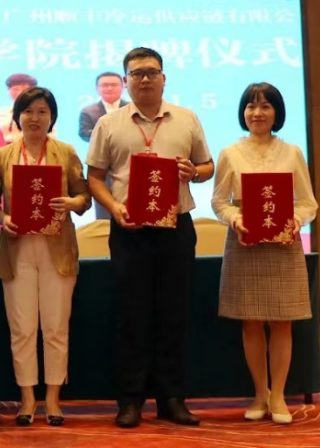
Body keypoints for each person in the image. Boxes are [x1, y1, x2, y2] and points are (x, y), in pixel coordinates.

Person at [86, 47, 214, 429]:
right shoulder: (108, 124)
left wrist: (194, 172)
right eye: (137, 73)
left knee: (174, 314)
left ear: (164, 78)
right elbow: (95, 178)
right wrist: (115, 208)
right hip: (130, 230)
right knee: (132, 315)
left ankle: (172, 399)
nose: (144, 79)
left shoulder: (186, 118)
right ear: (126, 81)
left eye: (151, 72)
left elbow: (207, 166)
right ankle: (130, 401)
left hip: (176, 228)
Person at [211, 82, 316, 425]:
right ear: (243, 113)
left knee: (283, 322)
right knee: (251, 321)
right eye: (251, 106)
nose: (257, 113)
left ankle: (279, 395)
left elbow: (308, 202)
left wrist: (294, 221)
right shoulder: (230, 153)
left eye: (265, 106)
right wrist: (236, 219)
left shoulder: (292, 153)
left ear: (276, 113)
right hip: (245, 242)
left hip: (284, 243)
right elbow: (219, 201)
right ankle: (260, 393)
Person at [0, 87, 91, 427]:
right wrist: (3, 218)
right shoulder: (2, 156)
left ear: (52, 117)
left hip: (56, 249)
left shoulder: (66, 152)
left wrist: (71, 203)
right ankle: (28, 397)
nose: (35, 118)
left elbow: (84, 197)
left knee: (56, 327)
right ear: (17, 117)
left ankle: (53, 397)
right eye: (28, 111)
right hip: (17, 249)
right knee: (22, 327)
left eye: (42, 111)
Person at [79, 72, 129, 219]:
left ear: (122, 87)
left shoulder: (131, 108)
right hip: (101, 164)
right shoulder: (88, 111)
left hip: (127, 163)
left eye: (114, 85)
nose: (109, 88)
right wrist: (106, 136)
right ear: (97, 89)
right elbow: (83, 132)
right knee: (103, 204)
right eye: (105, 85)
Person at [0, 73, 58, 143]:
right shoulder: (0, 113)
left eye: (25, 90)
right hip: (3, 149)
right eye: (15, 89)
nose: (20, 93)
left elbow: (51, 136)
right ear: (9, 91)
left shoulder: (44, 113)